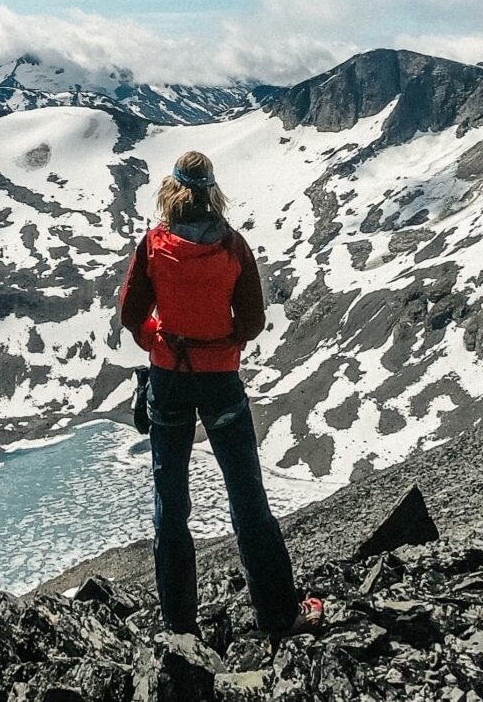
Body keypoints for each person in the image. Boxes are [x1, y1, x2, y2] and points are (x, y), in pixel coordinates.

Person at [119, 150, 323, 639]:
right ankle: (278, 614)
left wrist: (159, 340)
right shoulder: (234, 247)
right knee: (247, 498)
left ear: (171, 191)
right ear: (213, 193)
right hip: (220, 382)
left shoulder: (154, 245)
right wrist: (223, 341)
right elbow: (252, 322)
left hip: (168, 378)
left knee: (171, 504)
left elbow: (132, 314)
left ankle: (179, 628)